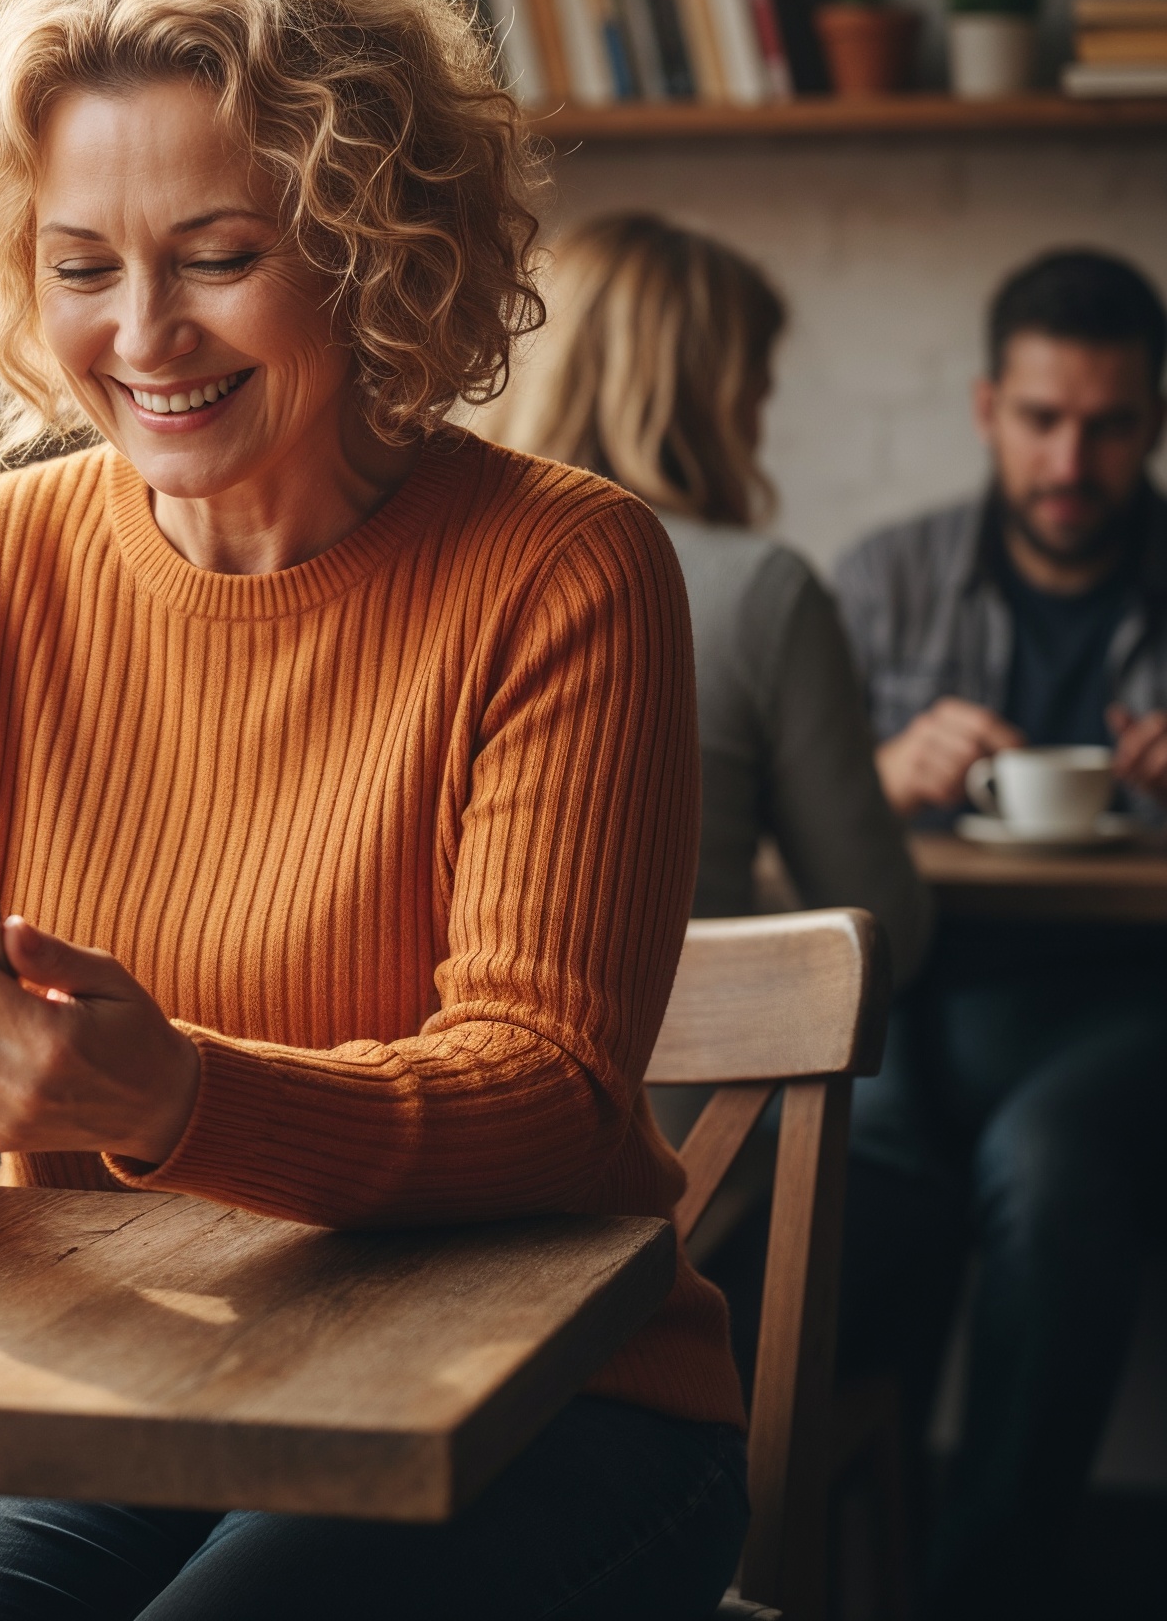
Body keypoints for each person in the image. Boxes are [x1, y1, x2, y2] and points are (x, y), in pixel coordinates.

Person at [0, 0, 749, 1620]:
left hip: (545, 1408)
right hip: (126, 1396)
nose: (142, 333)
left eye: (216, 254)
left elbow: (551, 1090)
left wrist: (167, 1096)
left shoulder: (564, 567)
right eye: (80, 267)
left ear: (370, 241)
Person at [834, 248, 1167, 1621]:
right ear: (986, 408)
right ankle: (863, 1553)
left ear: (1154, 420)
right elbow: (794, 841)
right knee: (869, 1170)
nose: (1070, 459)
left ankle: (987, 1588)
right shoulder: (883, 577)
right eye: (1041, 420)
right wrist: (876, 773)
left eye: (1107, 425)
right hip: (924, 989)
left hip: (1129, 998)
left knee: (1053, 1171)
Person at [482, 211, 929, 983]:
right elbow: (884, 930)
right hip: (692, 1099)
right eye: (757, 394)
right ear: (714, 401)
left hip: (435, 1085)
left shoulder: (429, 561)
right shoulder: (762, 591)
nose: (759, 429)